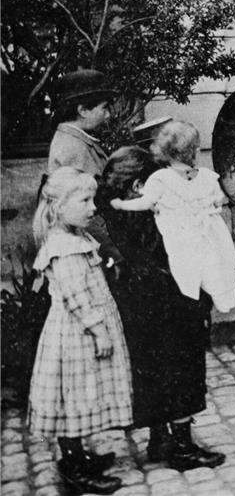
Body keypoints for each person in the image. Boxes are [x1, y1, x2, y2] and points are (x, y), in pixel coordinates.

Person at [98, 146, 225, 471]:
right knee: (183, 370)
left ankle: (159, 438)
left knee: (151, 371)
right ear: (140, 186)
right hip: (172, 302)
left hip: (137, 305)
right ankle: (182, 447)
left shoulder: (113, 213)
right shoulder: (155, 218)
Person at [29, 167, 132, 495]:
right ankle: (73, 468)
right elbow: (76, 296)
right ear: (59, 206)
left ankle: (77, 454)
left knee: (82, 396)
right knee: (74, 397)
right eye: (85, 200)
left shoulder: (76, 237)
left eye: (93, 199)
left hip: (81, 333)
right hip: (77, 336)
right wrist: (99, 331)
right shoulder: (65, 247)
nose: (93, 207)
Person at [108, 121, 235, 313]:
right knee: (212, 265)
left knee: (185, 266)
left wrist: (122, 204)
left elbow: (145, 202)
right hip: (206, 233)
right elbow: (219, 199)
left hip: (180, 236)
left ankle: (193, 293)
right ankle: (216, 297)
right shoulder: (206, 176)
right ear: (194, 152)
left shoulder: (161, 179)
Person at [47, 69, 122, 267]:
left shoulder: (78, 141)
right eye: (104, 108)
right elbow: (84, 211)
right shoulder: (72, 148)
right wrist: (113, 252)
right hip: (91, 247)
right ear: (82, 110)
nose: (108, 115)